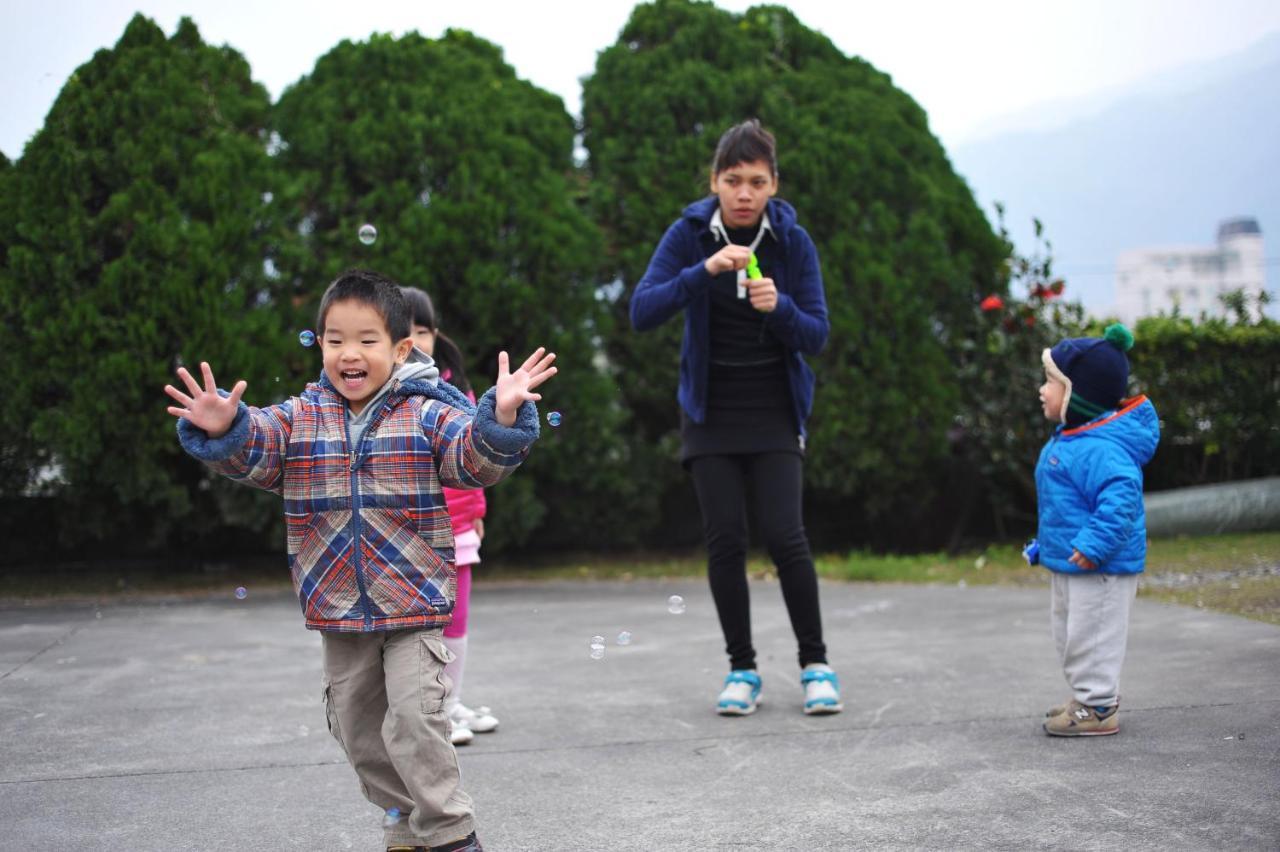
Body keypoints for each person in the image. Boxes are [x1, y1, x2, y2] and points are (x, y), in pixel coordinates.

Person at [165, 269, 556, 852]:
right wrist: (230, 432)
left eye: (367, 340)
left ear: (400, 350)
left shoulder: (425, 413)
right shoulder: (300, 418)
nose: (350, 353)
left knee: (419, 721)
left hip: (414, 604)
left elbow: (473, 460)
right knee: (357, 731)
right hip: (338, 608)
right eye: (335, 339)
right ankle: (402, 811)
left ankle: (450, 833)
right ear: (319, 343)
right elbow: (259, 448)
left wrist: (497, 420)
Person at [630, 119, 841, 717]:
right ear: (715, 182)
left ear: (774, 184)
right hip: (710, 412)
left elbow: (818, 334)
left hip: (774, 409)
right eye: (732, 180)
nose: (744, 193)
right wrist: (706, 271)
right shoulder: (691, 233)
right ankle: (742, 669)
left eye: (756, 181)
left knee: (786, 536)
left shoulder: (793, 242)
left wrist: (782, 309)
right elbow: (642, 310)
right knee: (725, 541)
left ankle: (815, 665)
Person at [1025, 323, 1159, 737]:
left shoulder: (1101, 448)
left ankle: (1099, 706)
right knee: (1069, 632)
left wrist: (1096, 543)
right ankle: (1088, 697)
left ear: (1078, 395)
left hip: (1102, 565)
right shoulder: (1073, 438)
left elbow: (1121, 500)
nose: (1042, 390)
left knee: (1093, 633)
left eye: (1051, 382)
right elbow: (1066, 507)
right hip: (1073, 560)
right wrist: (1045, 545)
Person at [402, 286, 500, 747]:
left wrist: (478, 510)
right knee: (424, 627)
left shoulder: (456, 389)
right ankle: (434, 711)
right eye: (405, 331)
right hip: (411, 531)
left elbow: (477, 455)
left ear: (436, 334)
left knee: (457, 621)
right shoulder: (389, 395)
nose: (416, 339)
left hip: (458, 527)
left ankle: (452, 701)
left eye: (423, 330)